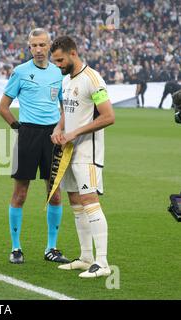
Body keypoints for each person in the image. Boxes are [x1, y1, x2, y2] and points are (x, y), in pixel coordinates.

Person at [0, 28, 69, 264]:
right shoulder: (20, 72)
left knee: (55, 194)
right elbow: (3, 107)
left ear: (50, 45)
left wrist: (59, 128)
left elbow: (65, 109)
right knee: (20, 194)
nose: (38, 50)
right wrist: (19, 129)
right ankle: (16, 248)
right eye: (34, 46)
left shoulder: (59, 74)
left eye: (42, 45)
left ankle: (52, 247)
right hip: (27, 133)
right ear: (29, 48)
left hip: (52, 137)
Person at [50, 35, 115, 278]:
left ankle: (103, 262)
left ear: (73, 53)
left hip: (88, 152)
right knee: (76, 204)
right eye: (55, 61)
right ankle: (86, 257)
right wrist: (59, 129)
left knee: (89, 202)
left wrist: (74, 133)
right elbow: (67, 111)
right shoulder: (67, 80)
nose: (57, 65)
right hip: (70, 152)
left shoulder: (92, 79)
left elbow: (108, 116)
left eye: (60, 60)